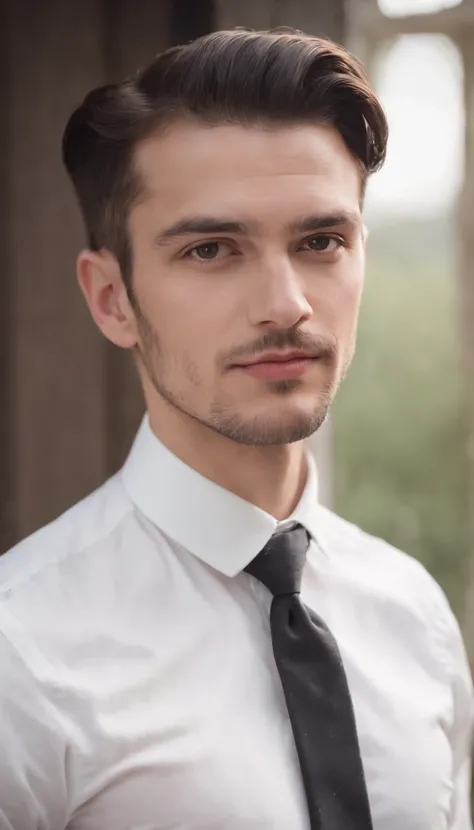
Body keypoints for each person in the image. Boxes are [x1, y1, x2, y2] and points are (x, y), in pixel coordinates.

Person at [0, 26, 471, 830]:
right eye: (212, 249)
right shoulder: (23, 651)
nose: (286, 304)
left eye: (322, 240)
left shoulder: (413, 616)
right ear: (112, 298)